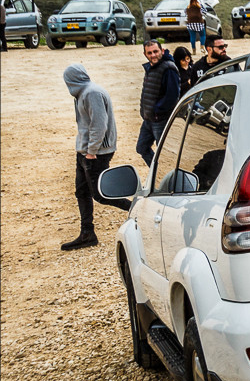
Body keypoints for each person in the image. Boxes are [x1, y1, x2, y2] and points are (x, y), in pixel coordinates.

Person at [63, 64, 133, 250]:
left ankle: (137, 210)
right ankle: (87, 233)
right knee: (82, 192)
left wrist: (92, 151)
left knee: (101, 194)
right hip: (84, 151)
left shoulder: (91, 93)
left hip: (95, 153)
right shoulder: (83, 92)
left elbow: (99, 125)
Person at [136, 40, 181, 167]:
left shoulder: (168, 68)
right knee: (141, 148)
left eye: (155, 51)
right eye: (149, 53)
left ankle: (163, 178)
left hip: (160, 120)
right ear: (145, 54)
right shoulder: (150, 67)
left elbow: (172, 96)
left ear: (162, 51)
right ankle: (155, 174)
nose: (153, 55)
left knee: (164, 153)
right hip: (148, 119)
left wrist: (157, 110)